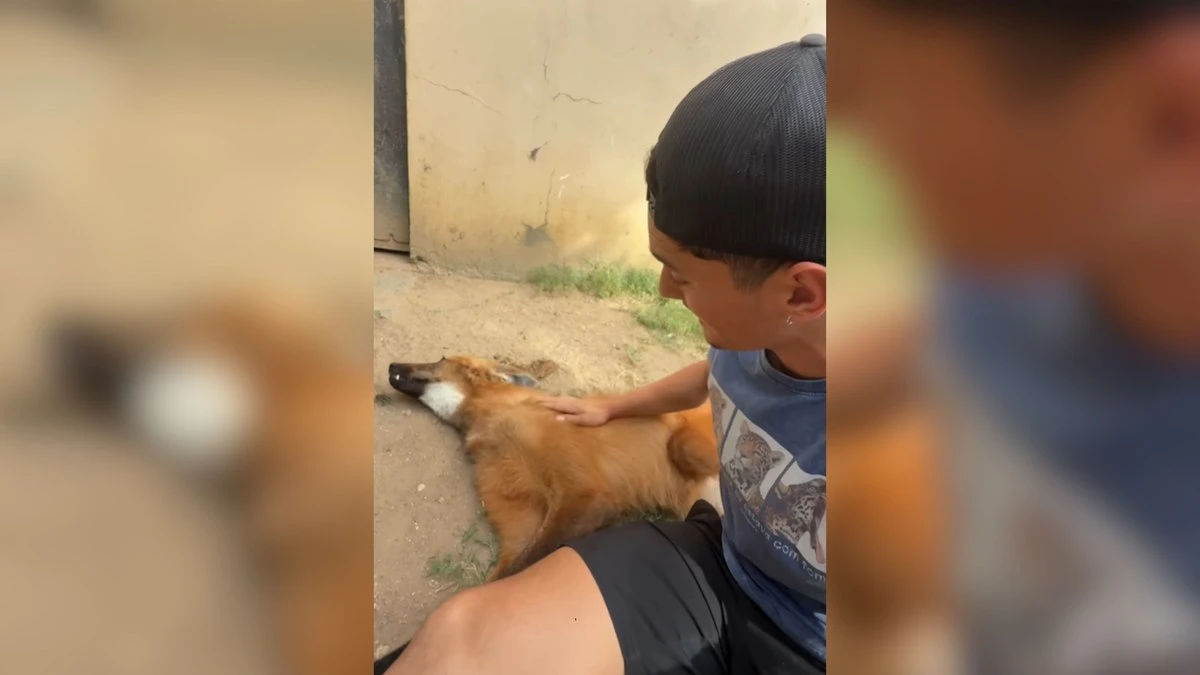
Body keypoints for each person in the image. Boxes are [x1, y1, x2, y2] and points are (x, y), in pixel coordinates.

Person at [385, 36, 827, 675]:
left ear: (802, 292)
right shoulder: (756, 339)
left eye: (681, 273)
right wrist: (613, 408)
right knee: (460, 640)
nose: (663, 291)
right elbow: (712, 376)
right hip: (723, 567)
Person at [836, 2, 1200, 673]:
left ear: (1171, 116)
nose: (844, 127)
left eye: (869, 85)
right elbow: (920, 339)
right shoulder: (1028, 256)